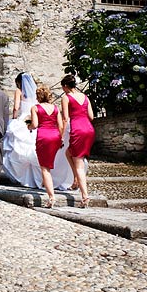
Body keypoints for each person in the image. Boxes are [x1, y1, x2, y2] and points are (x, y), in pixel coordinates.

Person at [61, 74, 95, 208]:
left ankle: (85, 196)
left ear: (65, 86)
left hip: (78, 130)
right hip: (89, 129)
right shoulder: (85, 97)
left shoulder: (66, 97)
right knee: (68, 154)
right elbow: (91, 116)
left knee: (79, 163)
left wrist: (61, 135)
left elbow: (65, 118)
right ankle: (75, 180)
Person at [2, 72, 41, 188]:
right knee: (32, 146)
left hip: (24, 118)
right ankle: (36, 178)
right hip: (34, 118)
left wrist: (14, 118)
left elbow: (16, 107)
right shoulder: (35, 91)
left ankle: (21, 176)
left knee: (16, 146)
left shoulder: (18, 91)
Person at [28, 86, 63, 208]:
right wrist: (60, 139)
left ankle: (51, 196)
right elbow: (60, 125)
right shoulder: (55, 108)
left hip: (43, 136)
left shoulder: (35, 108)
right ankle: (45, 183)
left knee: (45, 168)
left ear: (38, 97)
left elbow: (35, 124)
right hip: (55, 136)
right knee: (49, 164)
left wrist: (28, 127)